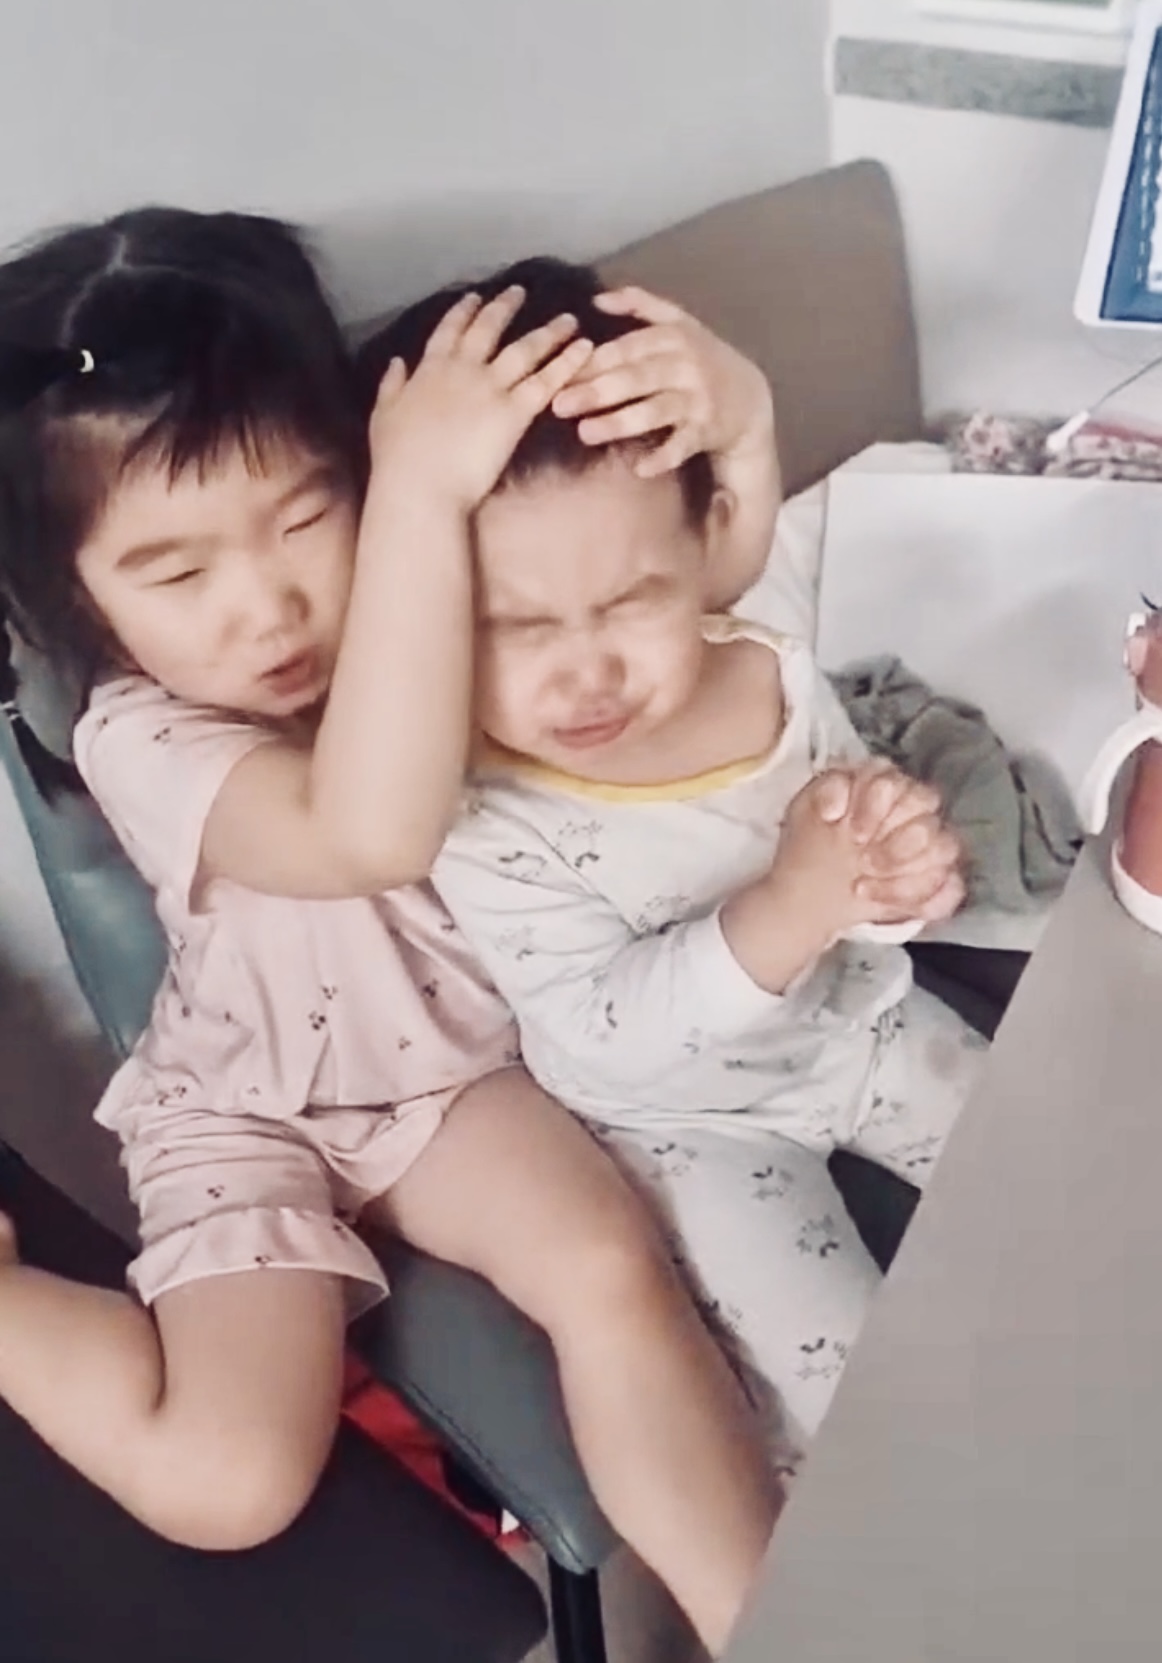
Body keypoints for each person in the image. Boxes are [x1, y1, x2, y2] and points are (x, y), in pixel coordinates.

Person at [0, 206, 790, 1658]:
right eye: (176, 573)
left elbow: (695, 589)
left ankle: (778, 1620)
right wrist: (420, 497)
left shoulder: (428, 597)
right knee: (229, 1477)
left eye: (308, 518)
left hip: (453, 1072)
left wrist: (735, 414)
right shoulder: (140, 732)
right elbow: (366, 827)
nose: (268, 608)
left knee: (605, 1264)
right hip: (249, 1102)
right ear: (84, 605)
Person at [360, 257, 983, 1455]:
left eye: (632, 600)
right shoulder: (482, 814)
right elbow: (604, 1032)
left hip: (865, 1022)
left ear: (703, 546)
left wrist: (899, 876)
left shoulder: (764, 667)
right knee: (854, 1407)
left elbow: (856, 836)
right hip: (691, 1127)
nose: (587, 671)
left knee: (1084, 1181)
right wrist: (792, 903)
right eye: (513, 625)